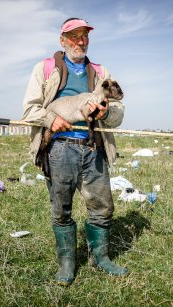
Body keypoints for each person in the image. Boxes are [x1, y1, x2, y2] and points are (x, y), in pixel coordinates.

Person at [21, 18, 128, 286]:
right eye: (74, 36)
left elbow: (118, 113)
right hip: (59, 148)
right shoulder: (45, 69)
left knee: (102, 208)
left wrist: (107, 112)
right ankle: (67, 264)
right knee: (61, 209)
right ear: (63, 40)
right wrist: (50, 120)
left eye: (84, 36)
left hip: (95, 147)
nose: (80, 41)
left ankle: (100, 258)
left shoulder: (101, 71)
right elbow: (30, 110)